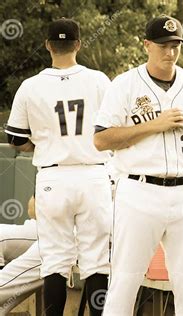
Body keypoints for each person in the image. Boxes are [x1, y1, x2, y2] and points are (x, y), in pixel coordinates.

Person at [93, 15, 183, 315]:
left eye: (176, 45)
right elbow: (101, 140)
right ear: (147, 45)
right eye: (164, 45)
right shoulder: (124, 84)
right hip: (139, 192)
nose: (170, 52)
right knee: (125, 282)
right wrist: (154, 125)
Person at [4, 18, 112, 315]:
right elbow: (113, 131)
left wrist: (42, 143)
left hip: (54, 177)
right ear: (78, 44)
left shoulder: (30, 86)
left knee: (54, 261)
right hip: (94, 175)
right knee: (96, 260)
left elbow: (15, 139)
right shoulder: (100, 80)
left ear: (48, 45)